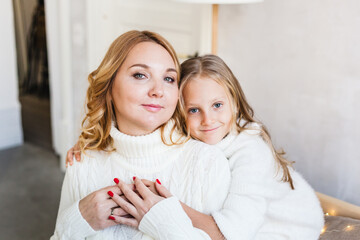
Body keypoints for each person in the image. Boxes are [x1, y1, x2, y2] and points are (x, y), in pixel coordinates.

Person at [68, 54, 325, 239]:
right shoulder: (189, 133)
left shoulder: (251, 153)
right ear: (179, 111)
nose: (208, 120)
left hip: (286, 229)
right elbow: (144, 126)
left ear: (234, 103)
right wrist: (93, 140)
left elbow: (232, 234)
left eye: (217, 105)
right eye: (193, 109)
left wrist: (163, 209)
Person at [51, 31, 231, 240]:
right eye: (140, 75)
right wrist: (79, 220)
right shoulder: (83, 162)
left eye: (169, 78)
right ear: (109, 87)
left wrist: (164, 223)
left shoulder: (208, 163)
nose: (158, 90)